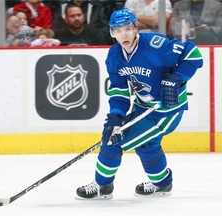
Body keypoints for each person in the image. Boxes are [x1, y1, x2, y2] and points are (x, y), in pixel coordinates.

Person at [76, 8, 203, 199]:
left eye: (127, 28)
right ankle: (162, 183)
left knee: (112, 142)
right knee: (146, 145)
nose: (123, 34)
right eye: (117, 30)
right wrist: (116, 116)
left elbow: (193, 55)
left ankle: (102, 186)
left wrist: (177, 78)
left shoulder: (155, 45)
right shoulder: (114, 56)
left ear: (136, 28)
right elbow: (119, 90)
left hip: (167, 111)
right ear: (112, 33)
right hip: (143, 108)